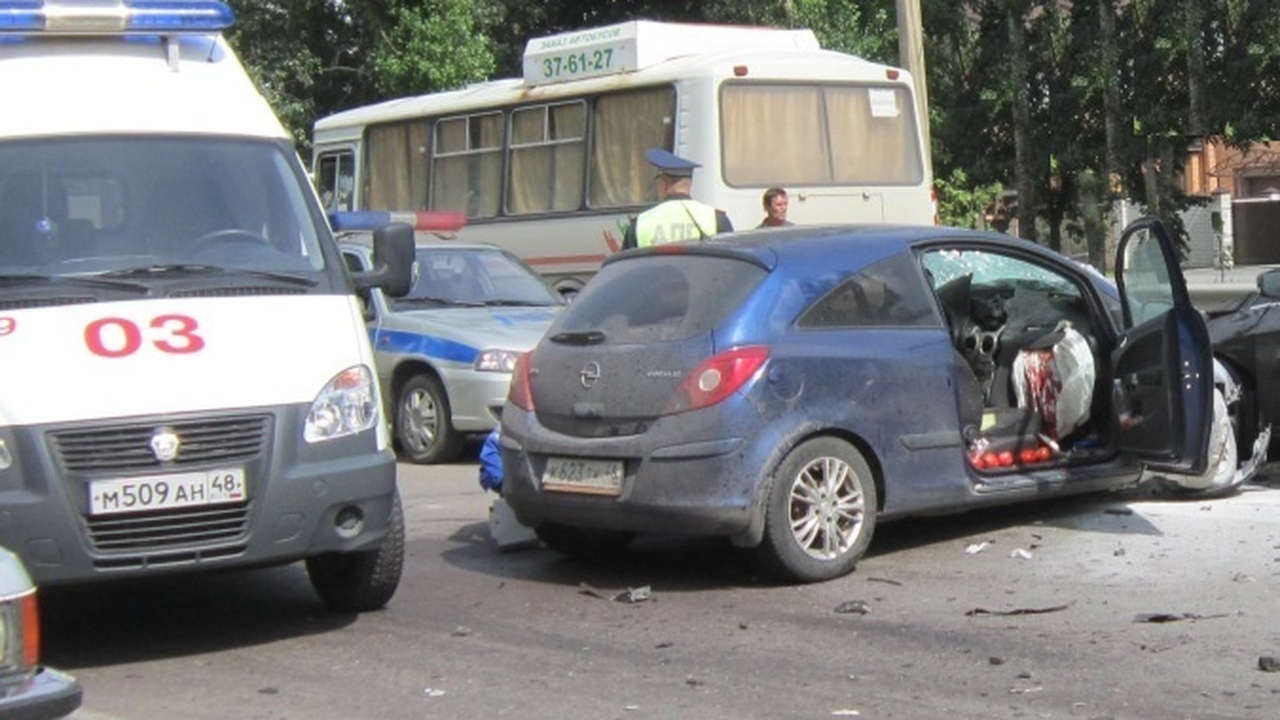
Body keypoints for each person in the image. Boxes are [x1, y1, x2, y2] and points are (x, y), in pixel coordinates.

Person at [621, 148, 733, 250]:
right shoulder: (716, 219)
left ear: (663, 184)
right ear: (689, 184)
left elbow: (628, 268)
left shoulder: (641, 224)